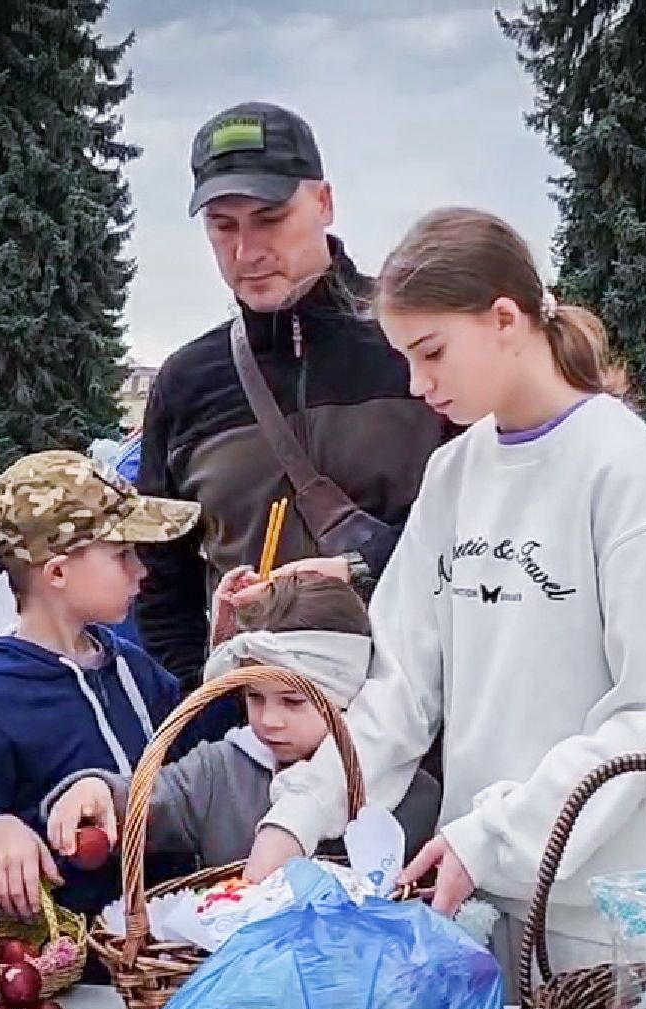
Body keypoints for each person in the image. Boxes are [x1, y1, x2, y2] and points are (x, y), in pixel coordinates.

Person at [244, 207, 646, 984]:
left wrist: (493, 835)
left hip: (622, 920)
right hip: (491, 905)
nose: (416, 383)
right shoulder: (455, 474)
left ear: (505, 318)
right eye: (406, 356)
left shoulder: (624, 471)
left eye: (431, 351)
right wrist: (299, 816)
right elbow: (399, 687)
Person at [136, 102, 446, 688]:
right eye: (223, 227)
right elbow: (159, 581)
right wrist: (213, 706)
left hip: (427, 719)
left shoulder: (418, 342)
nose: (246, 252)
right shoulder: (184, 383)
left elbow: (486, 523)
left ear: (324, 203)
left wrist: (358, 570)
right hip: (256, 733)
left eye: (270, 218)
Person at [0, 451, 199, 926]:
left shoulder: (132, 667)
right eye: (123, 554)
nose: (141, 570)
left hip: (162, 943)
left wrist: (230, 646)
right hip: (70, 965)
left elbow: (196, 755)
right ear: (57, 572)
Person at [45, 573, 439, 870]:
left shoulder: (408, 790)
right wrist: (97, 790)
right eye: (254, 696)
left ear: (350, 692)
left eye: (293, 701)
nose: (269, 720)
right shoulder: (220, 770)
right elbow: (154, 799)